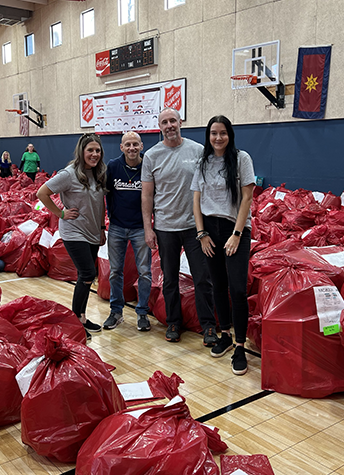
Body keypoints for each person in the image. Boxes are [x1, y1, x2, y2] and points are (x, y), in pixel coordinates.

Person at [141, 107, 218, 346]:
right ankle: (174, 322)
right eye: (164, 122)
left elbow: (211, 186)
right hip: (165, 228)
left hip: (195, 228)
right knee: (170, 279)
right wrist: (148, 227)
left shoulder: (198, 150)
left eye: (172, 120)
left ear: (180, 122)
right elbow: (146, 196)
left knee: (202, 278)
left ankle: (208, 325)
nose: (169, 125)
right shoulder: (151, 156)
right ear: (160, 126)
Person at [192, 115, 255, 375]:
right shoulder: (203, 162)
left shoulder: (242, 159)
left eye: (223, 133)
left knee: (238, 289)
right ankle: (226, 334)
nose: (218, 138)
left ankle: (240, 345)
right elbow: (196, 199)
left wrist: (237, 233)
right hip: (210, 229)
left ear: (230, 135)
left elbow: (247, 197)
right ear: (208, 136)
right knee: (217, 285)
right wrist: (201, 233)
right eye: (213, 133)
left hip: (234, 230)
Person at [36, 133, 107, 340]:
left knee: (86, 277)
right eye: (90, 150)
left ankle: (82, 317)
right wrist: (60, 213)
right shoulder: (69, 174)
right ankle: (76, 320)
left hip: (93, 231)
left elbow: (101, 203)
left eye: (97, 150)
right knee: (87, 273)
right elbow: (42, 192)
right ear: (81, 152)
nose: (94, 154)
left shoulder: (98, 173)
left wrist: (102, 227)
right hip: (73, 231)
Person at [103, 131, 152, 331]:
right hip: (116, 227)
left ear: (141, 146)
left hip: (141, 228)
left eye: (135, 144)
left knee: (145, 272)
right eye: (127, 145)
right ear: (121, 147)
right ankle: (116, 312)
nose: (132, 148)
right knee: (115, 272)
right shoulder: (113, 167)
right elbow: (103, 195)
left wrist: (150, 226)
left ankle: (142, 313)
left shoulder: (148, 166)